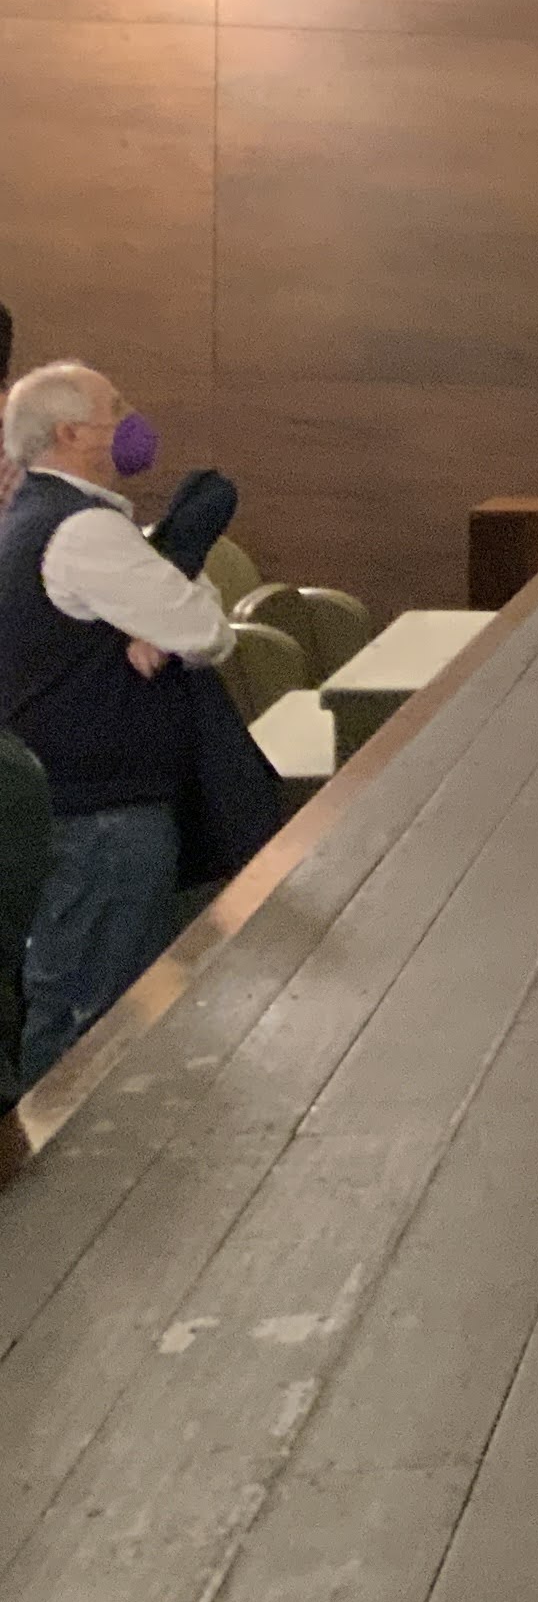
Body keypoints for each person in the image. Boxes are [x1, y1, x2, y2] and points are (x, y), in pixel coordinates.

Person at [0, 365, 231, 1084]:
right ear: (72, 433)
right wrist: (165, 612)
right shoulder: (83, 530)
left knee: (76, 998)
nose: (131, 419)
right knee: (95, 1018)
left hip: (69, 800)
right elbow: (206, 630)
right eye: (115, 407)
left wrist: (155, 615)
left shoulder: (36, 513)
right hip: (103, 811)